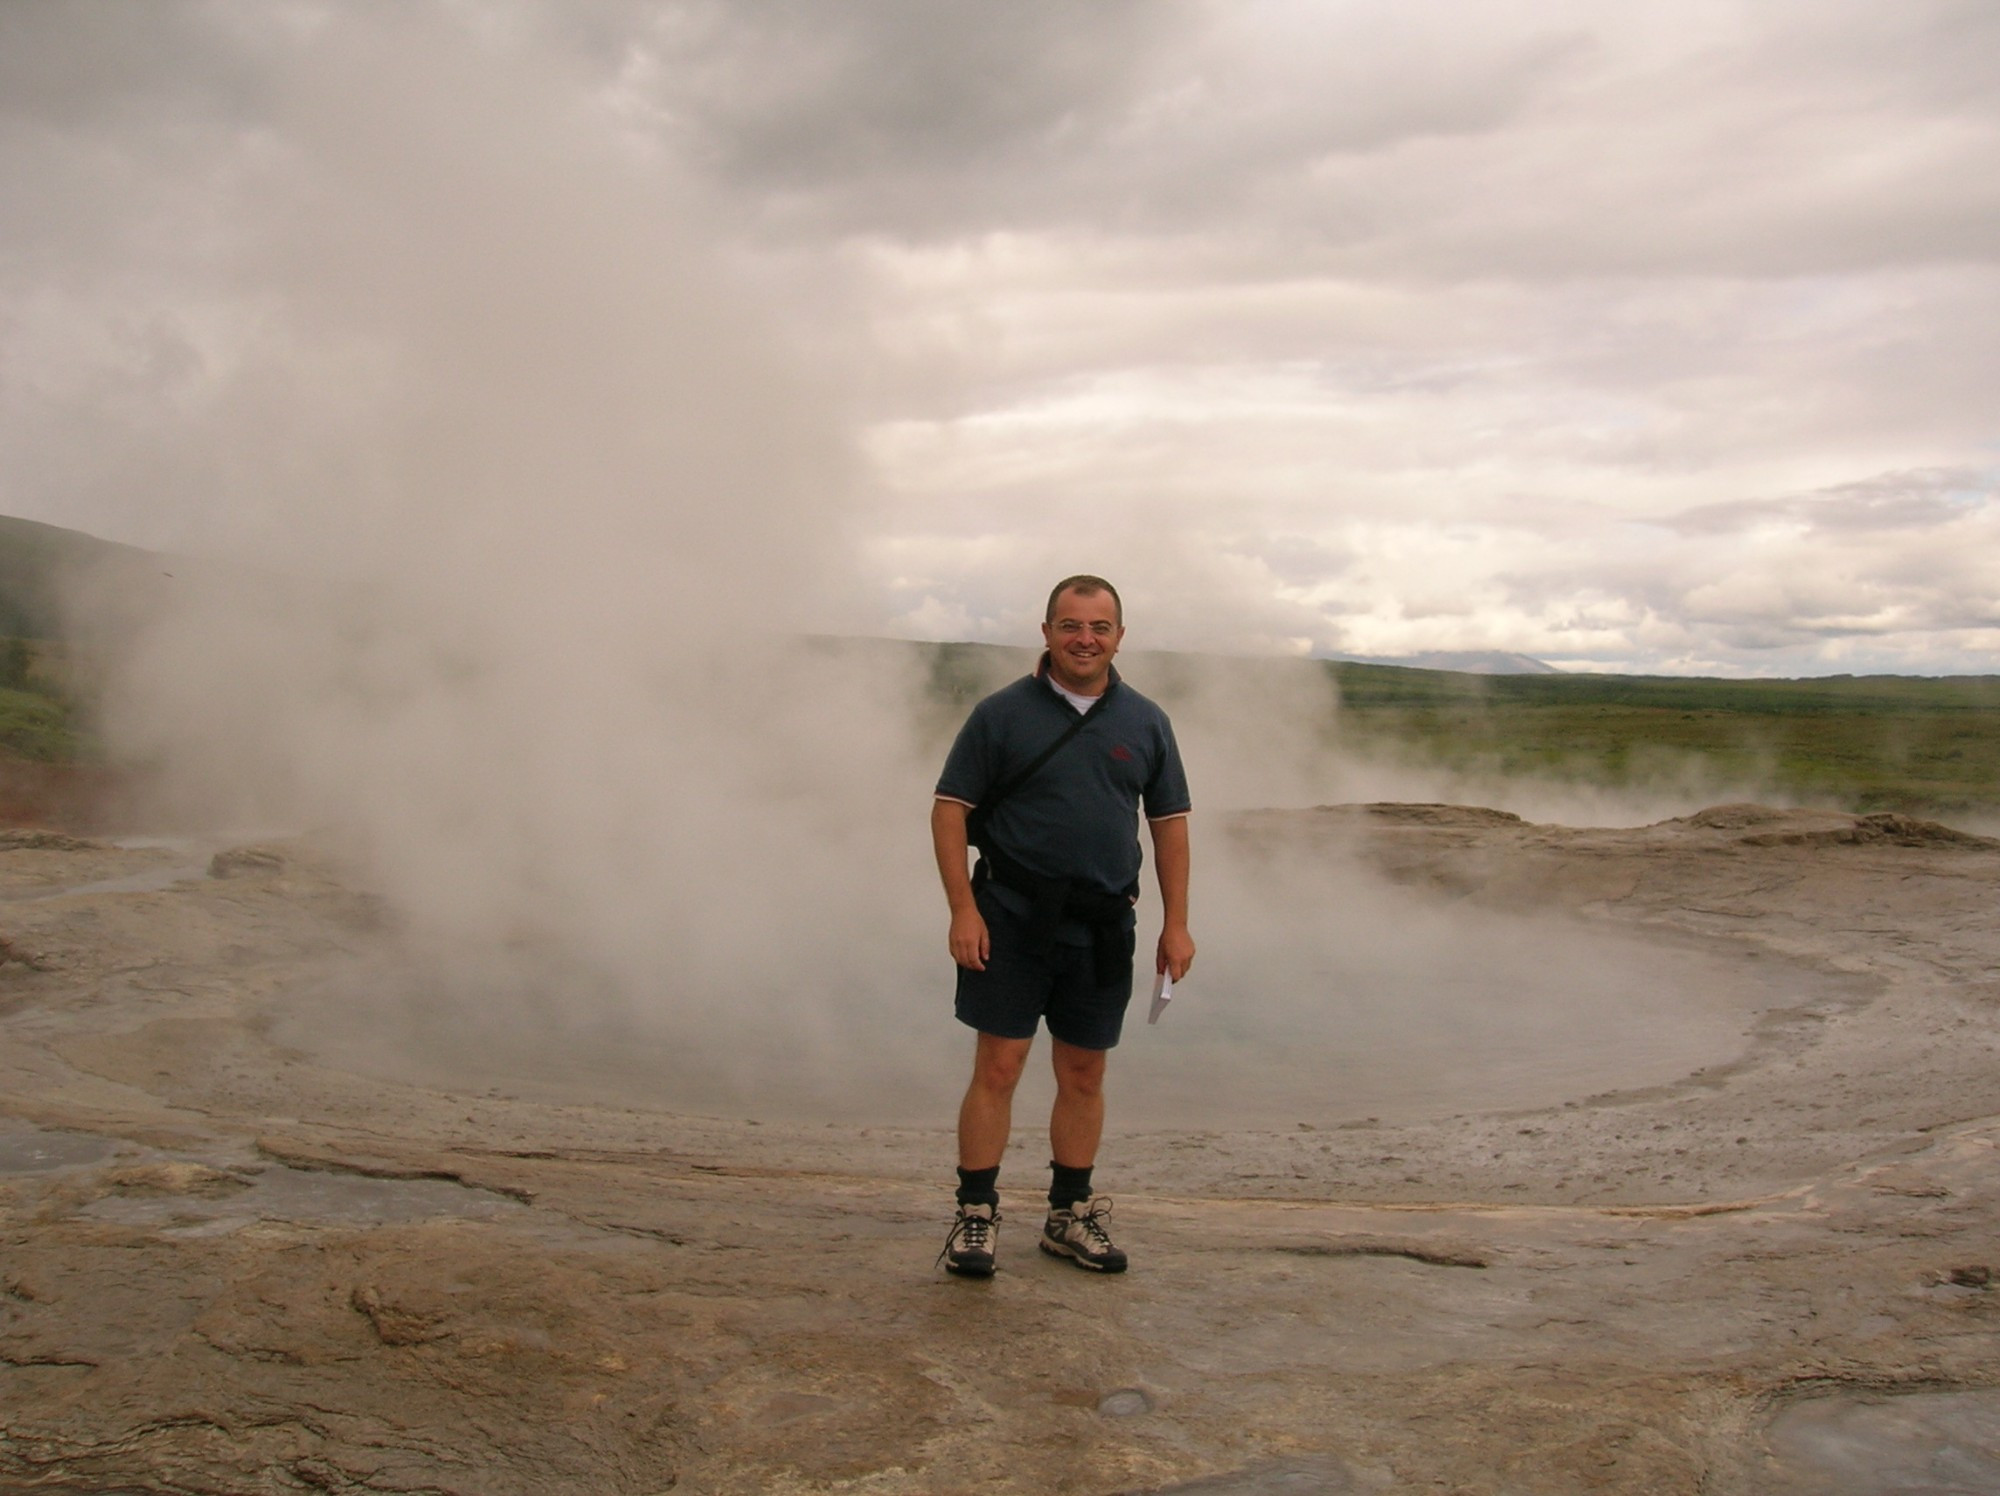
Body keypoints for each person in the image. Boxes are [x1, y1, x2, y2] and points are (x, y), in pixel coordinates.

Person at [930, 575, 1194, 1277]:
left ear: (1119, 636)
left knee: (1083, 1069)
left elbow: (1168, 825)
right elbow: (950, 808)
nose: (1085, 639)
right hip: (1010, 919)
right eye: (1071, 625)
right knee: (1000, 1065)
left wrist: (1178, 926)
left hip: (1103, 925)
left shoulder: (1145, 721)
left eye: (1099, 627)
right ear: (1046, 632)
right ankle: (976, 1215)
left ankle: (1068, 1216)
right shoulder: (1001, 715)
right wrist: (963, 907)